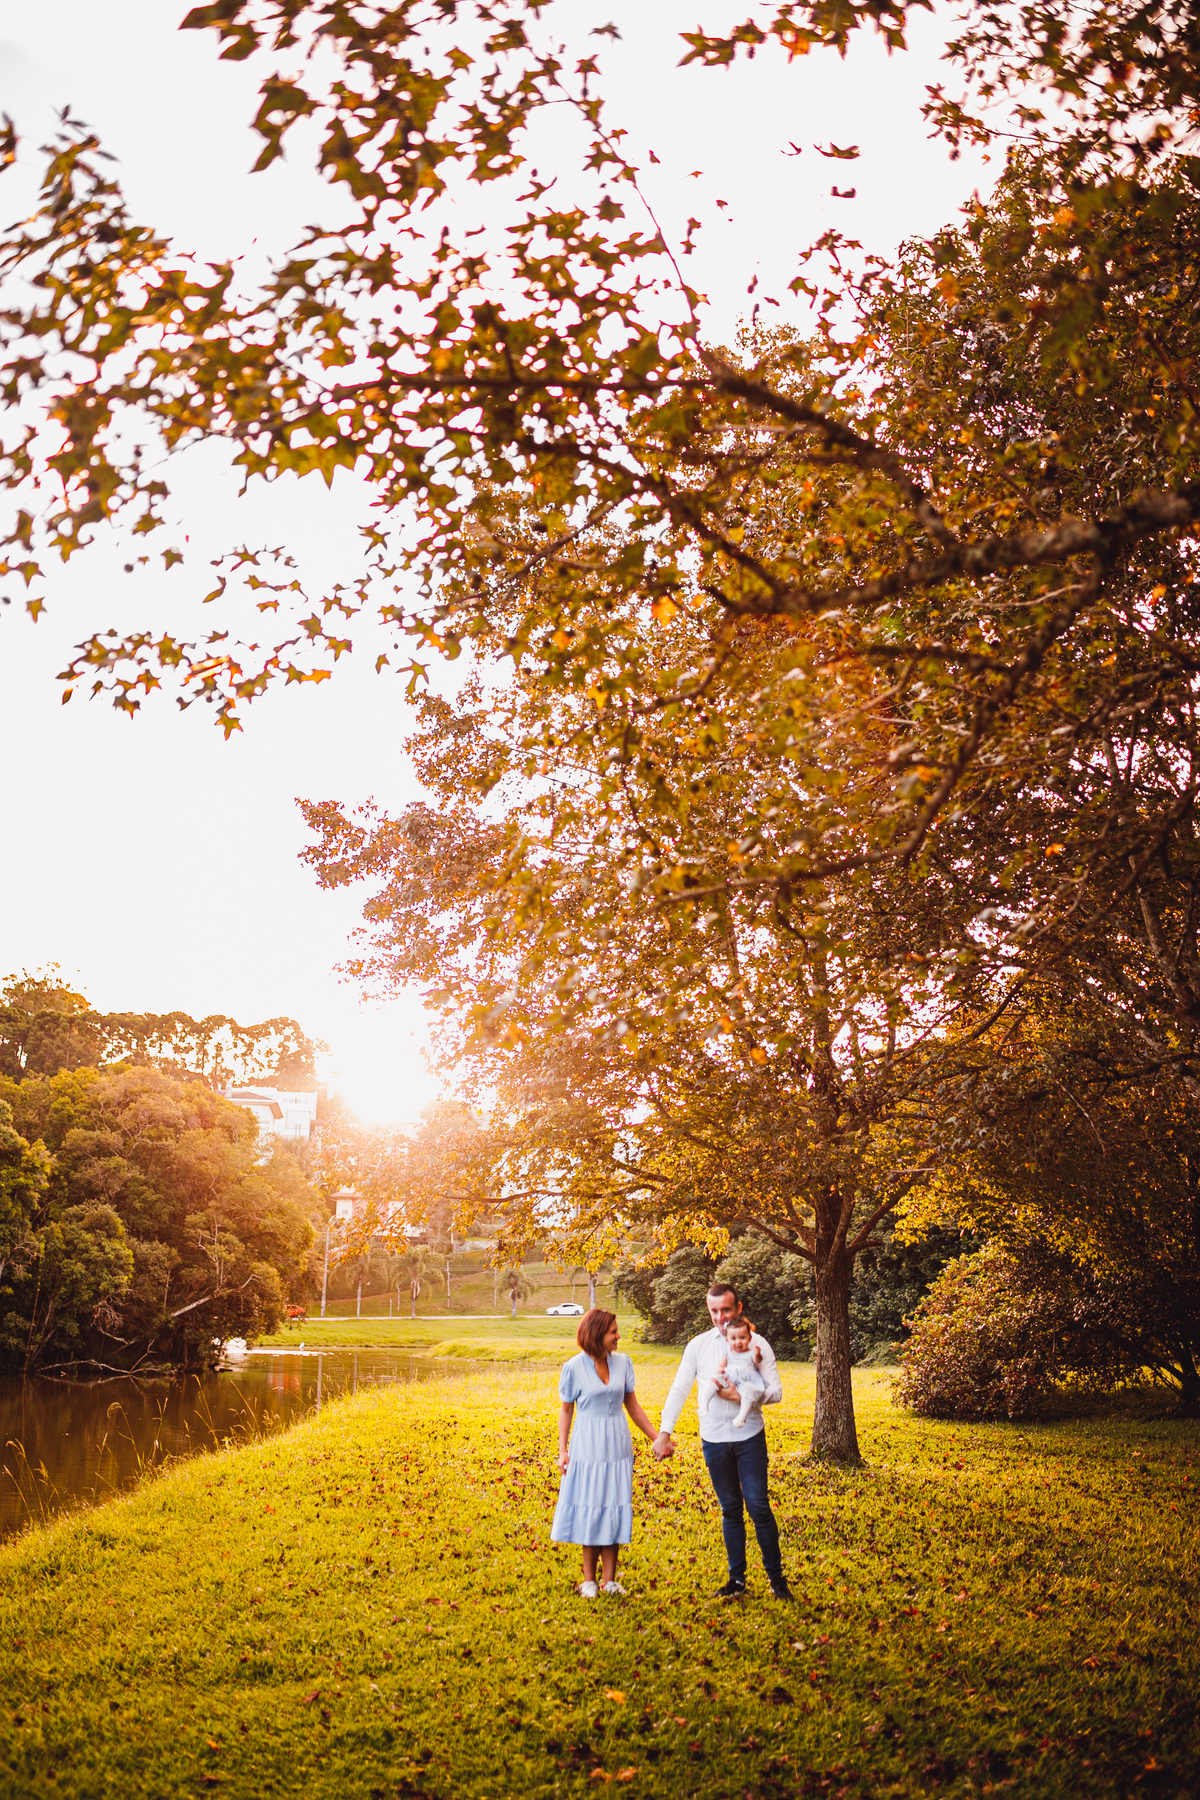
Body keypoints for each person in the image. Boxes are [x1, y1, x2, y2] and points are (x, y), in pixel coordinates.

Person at [654, 1281, 792, 1600]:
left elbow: (777, 1391)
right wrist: (665, 1431)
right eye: (714, 1310)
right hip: (714, 1441)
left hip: (749, 1439)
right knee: (730, 1508)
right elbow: (679, 1388)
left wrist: (744, 1397)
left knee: (757, 1505)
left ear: (739, 1308)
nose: (719, 1317)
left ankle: (776, 1579)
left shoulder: (756, 1344)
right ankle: (737, 1581)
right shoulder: (698, 1346)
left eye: (726, 1309)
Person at [551, 1306, 662, 1598]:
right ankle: (589, 1580)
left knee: (614, 1506)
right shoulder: (573, 1367)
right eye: (613, 1332)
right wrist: (562, 1451)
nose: (618, 1336)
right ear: (597, 1334)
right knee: (591, 1506)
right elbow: (566, 1410)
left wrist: (656, 1437)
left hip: (617, 1443)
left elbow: (633, 1406)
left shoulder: (624, 1363)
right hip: (587, 1444)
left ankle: (609, 1580)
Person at [701, 1314, 768, 1429]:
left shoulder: (750, 1352)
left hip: (746, 1379)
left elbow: (757, 1361)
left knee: (749, 1392)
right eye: (733, 1339)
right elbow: (723, 1362)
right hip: (730, 1376)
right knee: (714, 1380)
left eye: (742, 1338)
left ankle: (742, 1416)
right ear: (727, 1340)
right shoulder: (728, 1352)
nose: (738, 1342)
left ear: (749, 1338)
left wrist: (757, 1354)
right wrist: (720, 1369)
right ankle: (704, 1404)